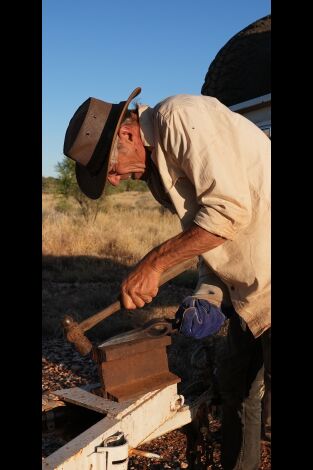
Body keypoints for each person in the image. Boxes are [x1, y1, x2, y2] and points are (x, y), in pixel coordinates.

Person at [63, 87, 271, 470]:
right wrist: (207, 294)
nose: (113, 182)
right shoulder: (161, 174)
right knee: (238, 391)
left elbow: (229, 211)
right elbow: (209, 238)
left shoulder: (179, 117)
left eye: (110, 168)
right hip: (254, 295)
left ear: (126, 135)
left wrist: (153, 264)